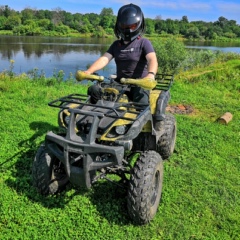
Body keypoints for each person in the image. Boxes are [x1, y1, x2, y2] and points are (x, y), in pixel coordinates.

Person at [84, 3, 165, 131]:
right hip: (120, 82)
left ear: (138, 25)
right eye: (124, 26)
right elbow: (104, 59)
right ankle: (94, 123)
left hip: (139, 84)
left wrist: (150, 75)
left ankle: (144, 131)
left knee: (142, 101)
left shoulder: (144, 42)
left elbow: (152, 59)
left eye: (131, 26)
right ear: (119, 25)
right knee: (94, 90)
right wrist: (89, 71)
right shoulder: (116, 45)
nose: (127, 28)